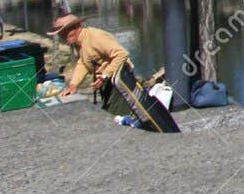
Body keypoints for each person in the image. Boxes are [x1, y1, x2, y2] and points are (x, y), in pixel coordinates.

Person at [48, 14, 179, 133]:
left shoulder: (95, 37)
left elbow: (121, 53)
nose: (64, 36)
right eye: (61, 33)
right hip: (107, 84)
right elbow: (83, 63)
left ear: (77, 27)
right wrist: (73, 84)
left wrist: (105, 74)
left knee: (119, 117)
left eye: (66, 31)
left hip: (119, 82)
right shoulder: (79, 43)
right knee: (113, 116)